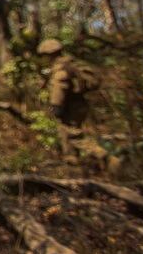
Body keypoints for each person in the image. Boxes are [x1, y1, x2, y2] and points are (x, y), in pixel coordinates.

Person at [37, 39, 108, 167]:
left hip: (70, 107)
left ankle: (104, 157)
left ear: (49, 54)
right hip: (78, 104)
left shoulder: (60, 69)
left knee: (73, 136)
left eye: (44, 56)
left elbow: (60, 87)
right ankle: (72, 161)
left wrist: (56, 106)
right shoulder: (70, 63)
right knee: (65, 133)